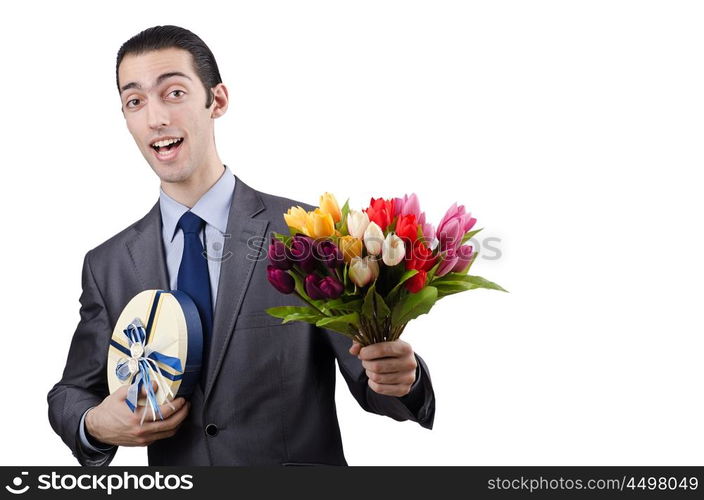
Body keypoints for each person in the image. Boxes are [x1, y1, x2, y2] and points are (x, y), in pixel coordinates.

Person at [47, 25, 435, 466]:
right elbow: (73, 392)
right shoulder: (109, 264)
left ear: (217, 100)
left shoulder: (308, 235)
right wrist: (95, 424)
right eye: (135, 101)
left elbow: (373, 383)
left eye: (173, 93)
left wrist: (403, 378)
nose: (156, 118)